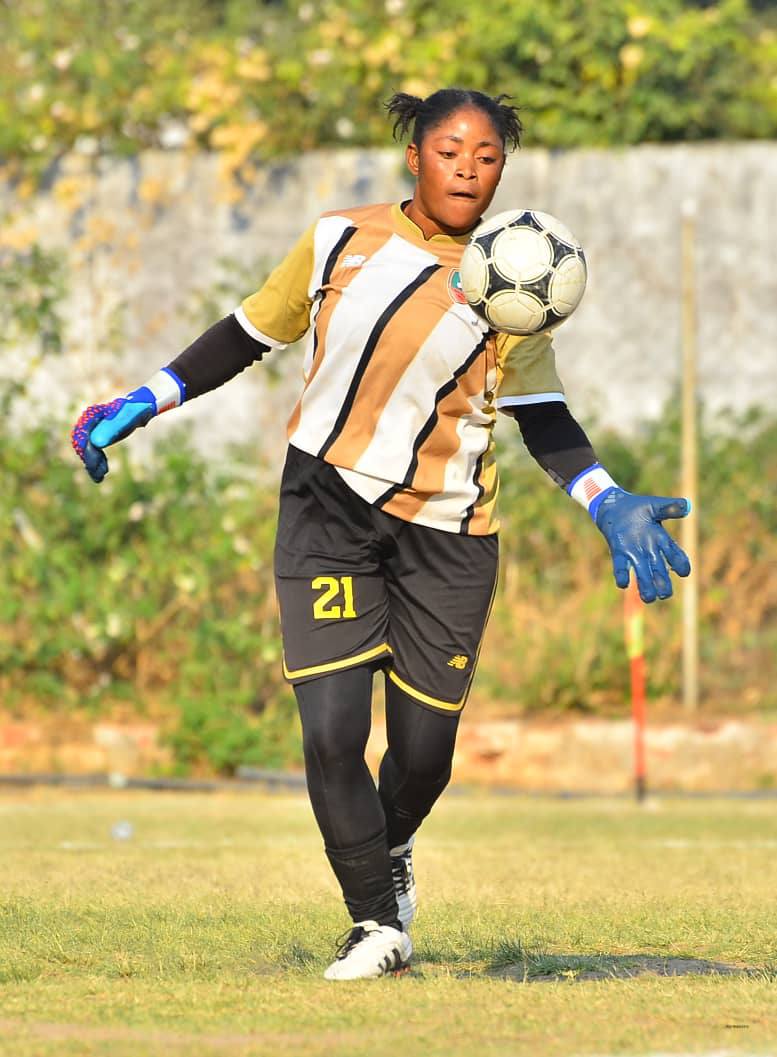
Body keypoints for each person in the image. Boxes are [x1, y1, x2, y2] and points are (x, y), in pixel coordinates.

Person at [71, 88, 691, 981]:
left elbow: (542, 414)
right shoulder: (339, 239)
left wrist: (605, 499)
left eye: (486, 156)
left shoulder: (516, 273)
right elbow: (247, 332)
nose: (467, 170)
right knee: (330, 733)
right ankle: (374, 923)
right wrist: (147, 396)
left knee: (423, 756)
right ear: (414, 156)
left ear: (503, 170)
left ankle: (388, 850)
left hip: (448, 532)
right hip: (326, 506)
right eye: (449, 151)